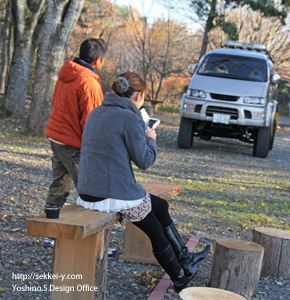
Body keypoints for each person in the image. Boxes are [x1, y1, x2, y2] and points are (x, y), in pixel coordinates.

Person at [76, 72, 210, 292]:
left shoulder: (97, 111)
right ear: (138, 95)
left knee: (160, 205)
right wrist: (150, 139)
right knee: (155, 230)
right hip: (110, 194)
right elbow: (145, 161)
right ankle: (179, 277)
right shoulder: (130, 117)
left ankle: (186, 259)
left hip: (88, 189)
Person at [44, 38, 108, 215]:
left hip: (56, 136)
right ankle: (88, 236)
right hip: (73, 143)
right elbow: (92, 122)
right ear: (98, 60)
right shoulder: (89, 83)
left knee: (59, 184)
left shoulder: (66, 73)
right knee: (91, 190)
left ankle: (50, 230)